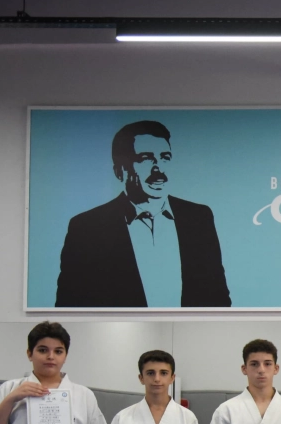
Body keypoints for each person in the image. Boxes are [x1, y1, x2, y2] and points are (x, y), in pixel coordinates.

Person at [54, 120, 230, 307]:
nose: (159, 168)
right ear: (119, 171)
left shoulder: (199, 218)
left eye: (165, 157)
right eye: (146, 158)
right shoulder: (87, 227)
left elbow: (218, 299)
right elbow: (69, 305)